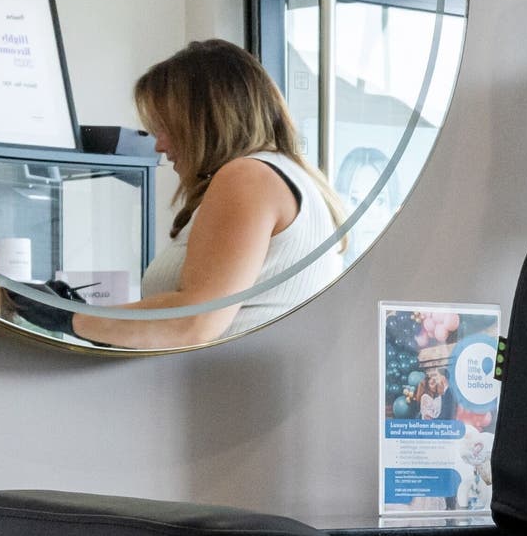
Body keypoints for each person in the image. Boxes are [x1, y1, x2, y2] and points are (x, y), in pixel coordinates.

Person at [80, 39, 347, 350]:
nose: (159, 145)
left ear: (207, 122)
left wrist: (70, 318)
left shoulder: (248, 177)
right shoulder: (286, 176)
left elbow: (193, 322)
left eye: (166, 127)